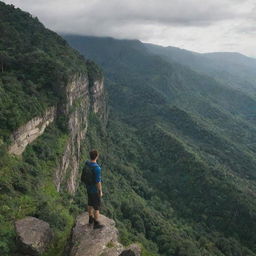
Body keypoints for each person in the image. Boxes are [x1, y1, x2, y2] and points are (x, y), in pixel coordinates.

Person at [81, 149, 104, 229]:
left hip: (88, 188)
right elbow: (98, 182)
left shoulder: (87, 164)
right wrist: (100, 191)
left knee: (90, 203)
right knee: (96, 207)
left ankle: (90, 218)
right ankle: (96, 223)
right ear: (96, 157)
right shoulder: (97, 168)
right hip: (94, 190)